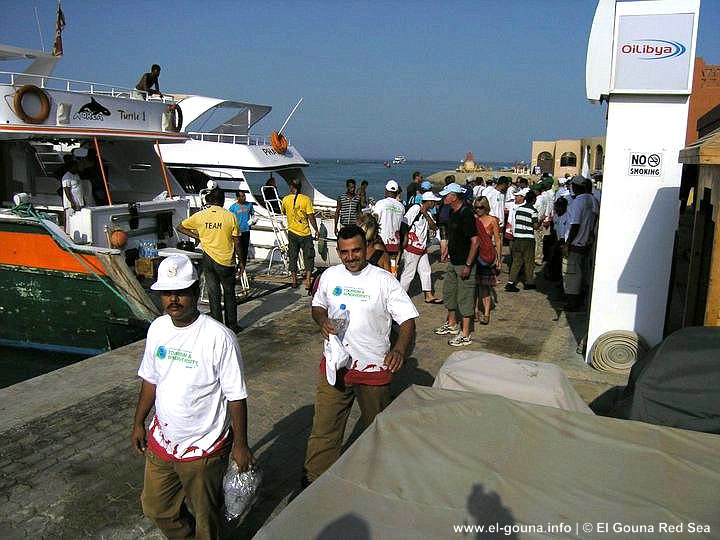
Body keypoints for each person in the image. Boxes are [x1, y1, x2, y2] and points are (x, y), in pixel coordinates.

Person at [131, 254, 254, 539]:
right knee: (156, 507)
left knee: (206, 520)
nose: (173, 300)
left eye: (181, 292)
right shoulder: (158, 328)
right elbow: (150, 379)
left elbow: (236, 396)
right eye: (166, 293)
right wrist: (139, 422)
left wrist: (241, 446)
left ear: (196, 291)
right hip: (162, 440)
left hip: (205, 447)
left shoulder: (219, 337)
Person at [302, 224, 418, 485]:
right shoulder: (330, 276)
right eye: (344, 252)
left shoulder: (383, 280)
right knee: (324, 431)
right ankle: (312, 483)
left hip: (373, 370)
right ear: (338, 251)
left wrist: (399, 349)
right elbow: (317, 306)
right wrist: (321, 320)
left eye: (356, 250)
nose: (350, 257)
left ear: (366, 249)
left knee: (377, 430)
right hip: (335, 369)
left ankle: (377, 482)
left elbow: (408, 319)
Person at [176, 188, 242, 332]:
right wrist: (241, 261)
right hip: (225, 260)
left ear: (210, 200)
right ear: (222, 200)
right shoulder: (230, 216)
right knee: (229, 293)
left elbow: (180, 226)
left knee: (213, 294)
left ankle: (218, 327)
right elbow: (237, 241)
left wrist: (197, 236)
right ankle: (232, 326)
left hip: (208, 258)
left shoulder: (201, 215)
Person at [433, 183, 479, 347]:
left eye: (446, 195)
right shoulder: (453, 212)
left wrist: (468, 264)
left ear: (454, 196)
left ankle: (465, 333)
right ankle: (452, 323)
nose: (444, 198)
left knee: (465, 296)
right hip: (454, 260)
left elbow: (475, 241)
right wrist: (447, 250)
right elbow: (454, 234)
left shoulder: (466, 214)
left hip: (464, 262)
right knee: (450, 291)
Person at [399, 191, 442, 303]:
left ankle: (428, 295)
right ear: (428, 201)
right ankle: (400, 296)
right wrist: (405, 239)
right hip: (412, 247)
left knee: (426, 270)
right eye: (433, 202)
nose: (434, 204)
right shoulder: (415, 209)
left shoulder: (428, 213)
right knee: (409, 273)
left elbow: (434, 227)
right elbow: (404, 223)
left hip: (422, 247)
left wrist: (426, 214)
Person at [564, 175, 596, 311]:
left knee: (572, 275)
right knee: (582, 273)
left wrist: (568, 243)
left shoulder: (578, 201)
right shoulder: (592, 199)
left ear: (575, 187)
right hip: (586, 241)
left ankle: (573, 304)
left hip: (576, 243)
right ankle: (580, 300)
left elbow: (575, 224)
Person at [281, 179, 319, 290]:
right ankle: (307, 280)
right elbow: (311, 217)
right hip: (305, 233)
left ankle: (294, 280)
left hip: (292, 232)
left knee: (293, 256)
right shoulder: (306, 200)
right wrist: (316, 229)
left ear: (292, 187)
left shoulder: (285, 199)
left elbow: (283, 211)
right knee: (309, 256)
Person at [473, 196, 502, 325]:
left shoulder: (492, 220)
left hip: (486, 255)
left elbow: (497, 240)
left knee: (485, 286)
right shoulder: (473, 220)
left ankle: (486, 313)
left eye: (481, 207)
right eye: (476, 207)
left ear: (486, 207)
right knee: (473, 285)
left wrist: (499, 258)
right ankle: (474, 311)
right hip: (474, 255)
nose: (478, 210)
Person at [505, 190, 539, 292]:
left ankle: (510, 282)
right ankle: (529, 282)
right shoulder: (533, 211)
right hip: (528, 239)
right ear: (534, 200)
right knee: (529, 261)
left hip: (517, 238)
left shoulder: (518, 209)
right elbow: (535, 226)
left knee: (516, 261)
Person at [372, 180, 406, 261]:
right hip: (395, 244)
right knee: (392, 268)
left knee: (380, 267)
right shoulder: (401, 207)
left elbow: (374, 221)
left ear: (386, 191)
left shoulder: (380, 203)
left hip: (381, 243)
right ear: (397, 192)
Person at [228, 190, 255, 275]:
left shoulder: (249, 205)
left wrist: (253, 221)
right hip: (236, 232)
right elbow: (230, 220)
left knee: (245, 251)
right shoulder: (233, 208)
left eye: (244, 196)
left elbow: (253, 215)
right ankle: (235, 266)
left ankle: (242, 269)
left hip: (246, 231)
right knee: (236, 250)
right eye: (242, 196)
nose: (244, 198)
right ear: (238, 197)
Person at [61, 155, 83, 230]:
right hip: (71, 204)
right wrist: (72, 202)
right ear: (71, 167)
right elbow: (67, 191)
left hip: (79, 202)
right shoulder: (66, 177)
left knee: (78, 220)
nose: (77, 168)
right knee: (70, 221)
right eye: (76, 166)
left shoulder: (76, 175)